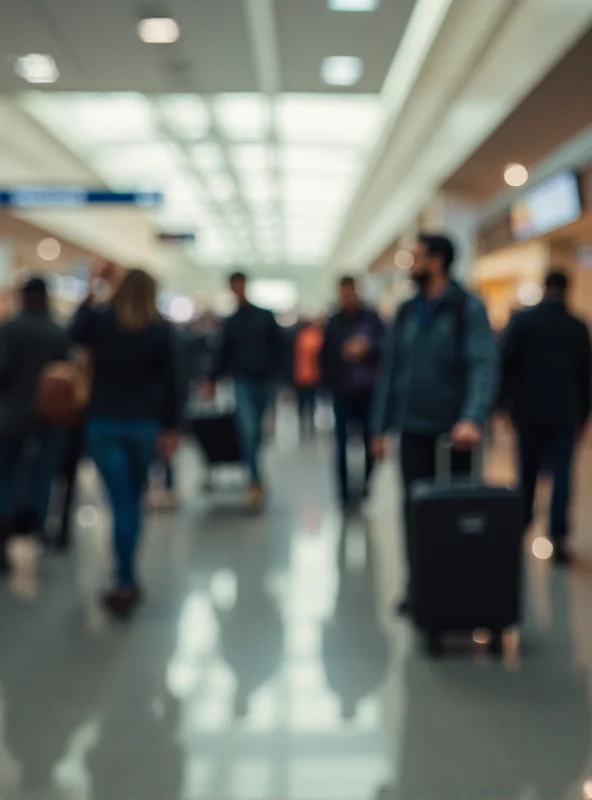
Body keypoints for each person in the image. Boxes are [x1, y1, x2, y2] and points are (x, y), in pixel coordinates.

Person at [371, 233, 497, 614]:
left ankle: (455, 586)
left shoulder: (467, 308)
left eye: (418, 257)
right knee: (414, 509)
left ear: (438, 262)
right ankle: (419, 583)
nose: (411, 263)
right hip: (413, 428)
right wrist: (380, 427)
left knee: (457, 514)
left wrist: (472, 418)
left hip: (454, 434)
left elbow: (483, 364)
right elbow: (390, 371)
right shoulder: (407, 311)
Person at [71, 268, 181, 616]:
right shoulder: (161, 330)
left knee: (120, 501)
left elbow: (74, 330)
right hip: (144, 425)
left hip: (104, 422)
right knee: (130, 501)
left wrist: (93, 286)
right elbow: (174, 382)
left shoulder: (102, 322)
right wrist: (171, 427)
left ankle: (124, 579)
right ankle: (127, 577)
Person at [499, 270, 592, 565]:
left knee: (526, 473)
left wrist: (502, 405)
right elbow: (586, 377)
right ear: (567, 289)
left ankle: (521, 526)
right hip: (566, 413)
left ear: (544, 288)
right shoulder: (577, 327)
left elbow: (506, 363)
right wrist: (584, 417)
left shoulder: (524, 322)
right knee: (562, 476)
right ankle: (559, 537)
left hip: (528, 412)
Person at [0, 277, 69, 576]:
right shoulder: (58, 331)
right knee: (44, 475)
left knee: (5, 475)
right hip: (49, 416)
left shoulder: (9, 329)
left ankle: (4, 531)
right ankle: (38, 531)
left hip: (10, 416)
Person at [204, 272, 284, 509]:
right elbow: (223, 353)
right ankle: (254, 479)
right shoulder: (231, 321)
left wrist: (280, 377)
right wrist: (212, 379)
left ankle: (255, 473)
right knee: (248, 430)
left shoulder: (264, 316)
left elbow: (280, 348)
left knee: (257, 432)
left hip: (265, 381)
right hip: (242, 381)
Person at [321, 276, 384, 512]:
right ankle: (345, 495)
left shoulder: (372, 318)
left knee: (371, 443)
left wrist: (367, 349)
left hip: (369, 392)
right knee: (341, 445)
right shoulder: (334, 321)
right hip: (342, 392)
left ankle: (365, 485)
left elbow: (386, 347)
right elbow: (325, 355)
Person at [293, 317, 324, 439]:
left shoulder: (302, 337)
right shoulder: (316, 336)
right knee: (309, 402)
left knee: (305, 403)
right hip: (309, 375)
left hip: (305, 375)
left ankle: (305, 425)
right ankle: (308, 425)